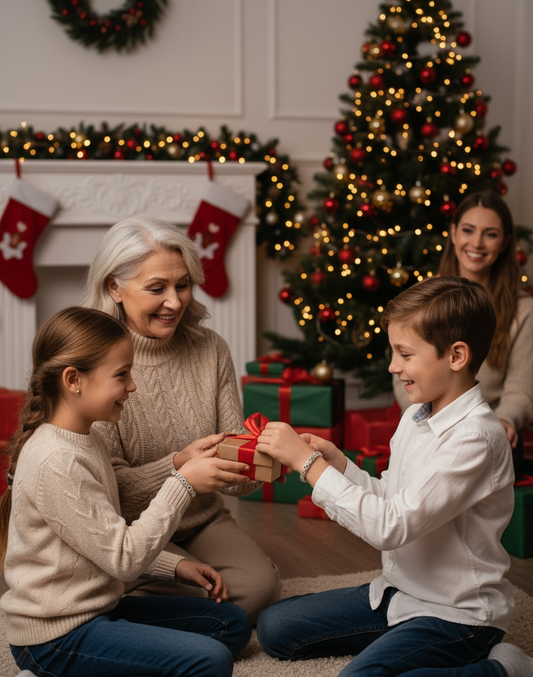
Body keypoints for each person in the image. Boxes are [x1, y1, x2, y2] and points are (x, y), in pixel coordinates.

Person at [254, 276, 533, 676]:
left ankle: (502, 668)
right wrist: (339, 465)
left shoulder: (477, 438)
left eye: (404, 353)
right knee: (275, 628)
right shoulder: (416, 415)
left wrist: (308, 466)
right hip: (400, 594)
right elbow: (392, 497)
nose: (393, 366)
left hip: (457, 616)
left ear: (455, 356)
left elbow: (391, 526)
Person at [0, 307, 251, 677]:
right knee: (210, 661)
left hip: (99, 607)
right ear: (74, 380)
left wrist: (175, 566)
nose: (133, 386)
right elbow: (123, 558)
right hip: (57, 636)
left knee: (231, 624)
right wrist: (181, 483)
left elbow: (103, 539)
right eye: (122, 375)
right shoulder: (57, 459)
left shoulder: (86, 440)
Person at [81, 216, 280, 623]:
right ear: (114, 288)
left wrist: (262, 461)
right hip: (125, 531)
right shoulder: (92, 361)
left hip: (201, 519)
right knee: (121, 578)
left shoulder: (211, 349)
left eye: (183, 284)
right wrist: (179, 467)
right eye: (157, 288)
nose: (175, 301)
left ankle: (143, 610)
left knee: (259, 587)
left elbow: (238, 480)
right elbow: (106, 490)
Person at [394, 190, 533, 473]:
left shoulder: (524, 309)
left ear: (505, 242)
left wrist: (502, 421)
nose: (477, 243)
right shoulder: (423, 301)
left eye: (490, 234)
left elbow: (521, 388)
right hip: (429, 421)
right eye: (468, 230)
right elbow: (403, 368)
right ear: (454, 233)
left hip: (489, 424)